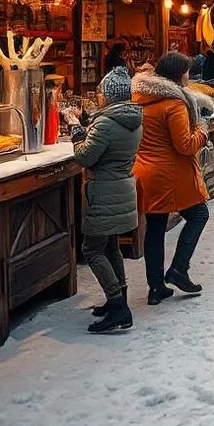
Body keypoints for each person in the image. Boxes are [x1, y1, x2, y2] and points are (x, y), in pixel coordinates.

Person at [132, 52, 214, 304]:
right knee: (199, 214)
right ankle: (179, 269)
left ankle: (156, 288)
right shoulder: (174, 104)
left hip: (146, 171)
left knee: (155, 229)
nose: (189, 76)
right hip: (169, 174)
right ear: (178, 75)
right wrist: (202, 128)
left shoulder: (142, 97)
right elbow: (186, 145)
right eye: (187, 71)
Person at [73, 66, 142, 333]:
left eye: (101, 92)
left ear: (109, 95)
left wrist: (78, 135)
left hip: (103, 192)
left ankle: (117, 305)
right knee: (111, 245)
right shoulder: (132, 119)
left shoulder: (105, 122)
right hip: (122, 189)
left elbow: (85, 157)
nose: (99, 96)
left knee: (92, 250)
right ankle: (119, 298)